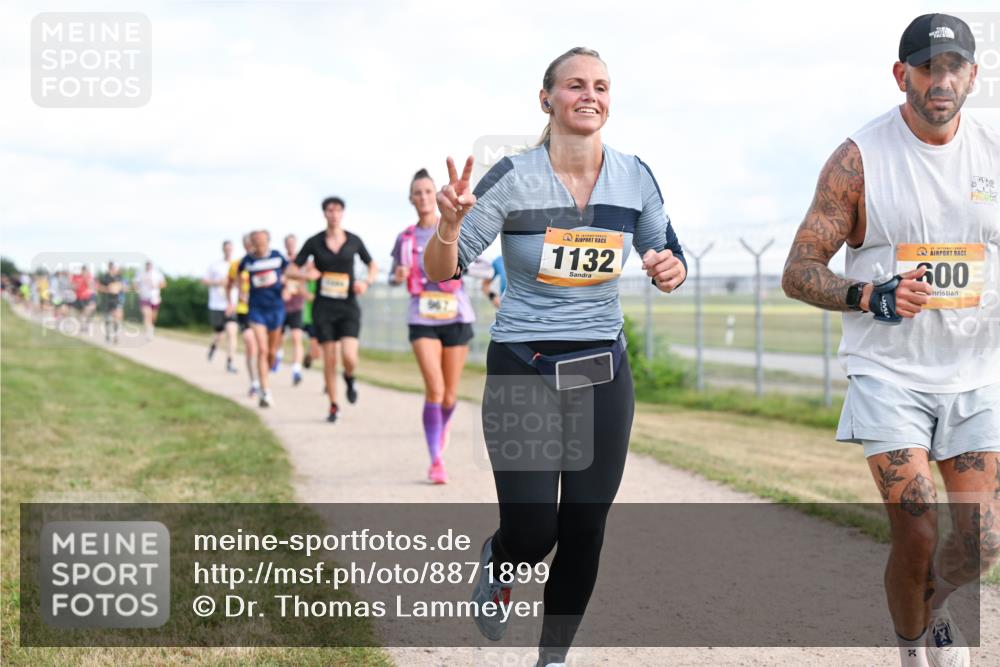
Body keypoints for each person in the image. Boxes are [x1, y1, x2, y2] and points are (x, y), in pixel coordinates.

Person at [423, 47, 687, 667]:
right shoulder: (513, 177)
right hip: (525, 367)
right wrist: (449, 226)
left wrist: (670, 267)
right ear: (548, 99)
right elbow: (444, 272)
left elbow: (666, 253)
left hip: (603, 369)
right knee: (536, 528)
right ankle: (502, 557)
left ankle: (553, 657)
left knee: (586, 529)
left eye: (600, 85)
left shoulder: (635, 176)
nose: (589, 94)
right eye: (574, 85)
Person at [781, 14, 999, 667]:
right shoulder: (859, 159)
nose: (941, 79)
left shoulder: (993, 151)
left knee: (982, 539)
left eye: (953, 66)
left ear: (973, 75)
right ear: (901, 74)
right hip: (889, 373)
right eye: (927, 67)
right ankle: (914, 647)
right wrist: (871, 294)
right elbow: (799, 269)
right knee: (917, 525)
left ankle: (930, 611)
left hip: (976, 372)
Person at [390, 168, 477, 484]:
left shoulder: (456, 227)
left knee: (450, 395)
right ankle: (436, 459)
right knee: (435, 389)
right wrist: (397, 275)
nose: (424, 197)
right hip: (422, 317)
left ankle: (443, 424)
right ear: (411, 199)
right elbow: (393, 273)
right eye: (418, 193)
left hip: (456, 316)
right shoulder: (406, 238)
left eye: (428, 191)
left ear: (436, 195)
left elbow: (475, 263)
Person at [287, 197, 377, 423]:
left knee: (349, 356)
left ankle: (349, 376)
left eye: (337, 210)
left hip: (348, 306)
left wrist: (365, 282)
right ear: (324, 214)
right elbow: (290, 270)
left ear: (343, 213)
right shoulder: (314, 242)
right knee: (329, 359)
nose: (334, 214)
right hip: (323, 308)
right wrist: (306, 275)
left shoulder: (354, 240)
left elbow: (372, 264)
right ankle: (334, 405)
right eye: (330, 210)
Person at [238, 230, 289, 408]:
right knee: (262, 348)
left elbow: (288, 273)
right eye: (255, 242)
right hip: (256, 309)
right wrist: (241, 292)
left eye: (262, 241)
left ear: (268, 241)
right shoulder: (247, 261)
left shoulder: (277, 257)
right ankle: (265, 391)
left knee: (272, 352)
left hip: (276, 308)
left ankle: (263, 376)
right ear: (251, 243)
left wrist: (287, 287)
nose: (259, 245)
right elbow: (238, 277)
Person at [229, 234, 260, 398]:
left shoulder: (263, 263)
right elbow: (230, 283)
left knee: (263, 348)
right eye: (247, 245)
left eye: (252, 244)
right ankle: (254, 383)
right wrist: (232, 299)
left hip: (262, 309)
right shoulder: (238, 264)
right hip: (244, 309)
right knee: (250, 344)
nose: (250, 247)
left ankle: (263, 379)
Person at [204, 240, 239, 373]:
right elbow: (205, 280)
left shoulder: (237, 265)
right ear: (223, 249)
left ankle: (230, 362)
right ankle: (213, 346)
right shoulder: (215, 265)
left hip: (232, 304)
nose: (228, 251)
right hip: (217, 304)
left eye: (230, 248)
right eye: (226, 249)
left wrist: (232, 284)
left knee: (232, 332)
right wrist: (218, 282)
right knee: (220, 334)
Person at [282, 234, 307, 386]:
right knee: (277, 339)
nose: (290, 246)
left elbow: (306, 279)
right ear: (285, 245)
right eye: (288, 243)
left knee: (297, 338)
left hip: (297, 306)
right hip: (281, 306)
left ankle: (296, 370)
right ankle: (277, 356)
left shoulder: (302, 262)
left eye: (293, 243)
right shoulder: (282, 262)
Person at [96, 261, 126, 344]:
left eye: (113, 267)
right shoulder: (105, 277)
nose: (112, 269)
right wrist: (107, 289)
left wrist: (118, 287)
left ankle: (116, 336)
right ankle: (108, 336)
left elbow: (122, 286)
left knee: (116, 319)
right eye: (111, 267)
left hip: (116, 300)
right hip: (107, 300)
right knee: (108, 319)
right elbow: (99, 287)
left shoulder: (119, 277)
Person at [136, 260, 166, 339]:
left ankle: (151, 328)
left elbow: (164, 284)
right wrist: (138, 288)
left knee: (153, 317)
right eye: (147, 265)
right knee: (147, 315)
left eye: (149, 265)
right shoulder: (140, 274)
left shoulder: (157, 274)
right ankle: (148, 333)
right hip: (144, 298)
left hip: (155, 298)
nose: (148, 266)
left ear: (152, 266)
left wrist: (156, 285)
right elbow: (136, 284)